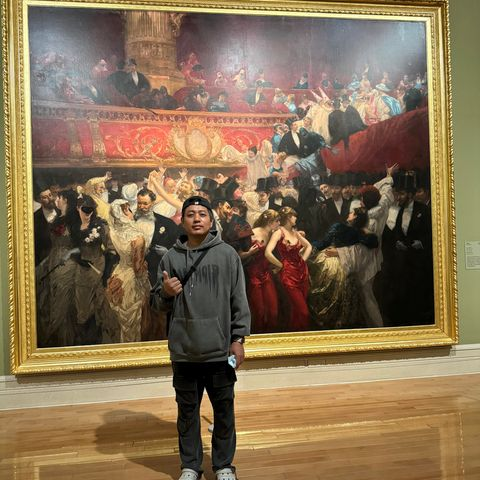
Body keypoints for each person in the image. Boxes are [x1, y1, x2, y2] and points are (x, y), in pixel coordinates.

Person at [150, 196, 251, 480]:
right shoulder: (170, 258)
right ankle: (190, 466)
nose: (196, 219)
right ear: (182, 221)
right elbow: (156, 303)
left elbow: (239, 300)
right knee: (187, 413)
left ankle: (224, 465)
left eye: (202, 214)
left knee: (224, 411)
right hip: (184, 351)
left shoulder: (227, 255)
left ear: (211, 219)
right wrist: (165, 293)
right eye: (191, 214)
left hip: (220, 351)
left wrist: (238, 340)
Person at [265, 206, 312, 331]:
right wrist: (281, 265)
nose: (296, 218)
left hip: (302, 273)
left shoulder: (295, 232)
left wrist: (303, 260)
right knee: (304, 312)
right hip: (288, 275)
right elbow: (267, 253)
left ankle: (297, 337)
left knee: (296, 311)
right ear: (288, 218)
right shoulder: (278, 233)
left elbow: (309, 246)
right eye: (294, 216)